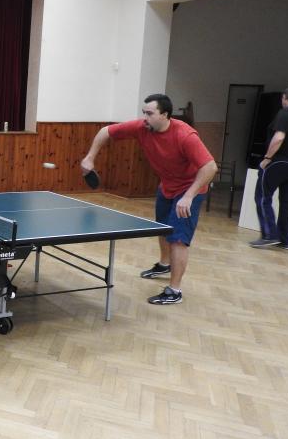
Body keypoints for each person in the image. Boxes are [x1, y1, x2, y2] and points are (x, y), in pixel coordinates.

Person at [81, 94, 217, 305]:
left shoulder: (185, 136)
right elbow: (105, 131)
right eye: (144, 112)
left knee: (178, 239)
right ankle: (164, 264)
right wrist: (90, 157)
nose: (145, 117)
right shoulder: (142, 127)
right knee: (162, 228)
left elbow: (210, 167)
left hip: (190, 189)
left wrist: (189, 196)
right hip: (167, 186)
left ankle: (174, 291)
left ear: (165, 115)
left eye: (150, 113)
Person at [250, 86, 288, 250]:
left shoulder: (286, 112)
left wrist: (267, 158)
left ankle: (269, 235)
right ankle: (285, 240)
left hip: (281, 161)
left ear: (284, 97)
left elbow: (279, 137)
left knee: (262, 196)